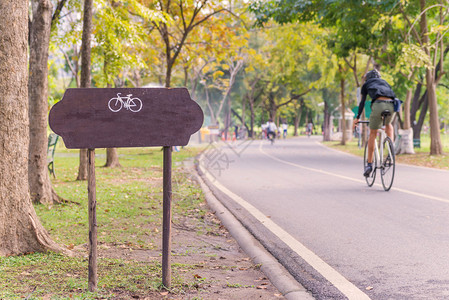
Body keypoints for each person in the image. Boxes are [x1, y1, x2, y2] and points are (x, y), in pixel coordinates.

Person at [353, 69, 396, 177]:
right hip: (392, 105)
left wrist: (357, 117)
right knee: (388, 125)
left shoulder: (366, 84)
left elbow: (362, 102)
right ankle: (391, 150)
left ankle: (369, 164)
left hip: (378, 105)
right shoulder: (385, 82)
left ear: (368, 78)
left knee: (373, 133)